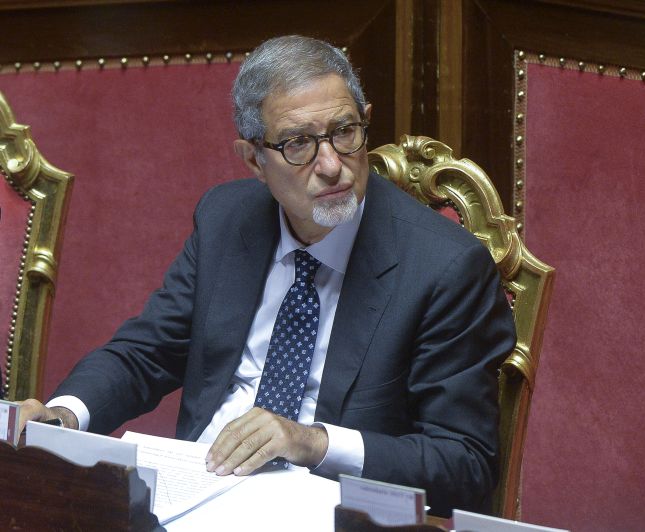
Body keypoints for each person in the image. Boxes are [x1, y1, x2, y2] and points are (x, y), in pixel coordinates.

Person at [19, 35, 516, 516]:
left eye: (345, 131)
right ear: (254, 159)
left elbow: (465, 463)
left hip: (327, 510)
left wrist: (313, 442)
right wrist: (64, 417)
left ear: (366, 121)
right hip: (194, 492)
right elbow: (146, 352)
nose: (331, 165)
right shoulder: (226, 219)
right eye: (299, 143)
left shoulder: (444, 267)